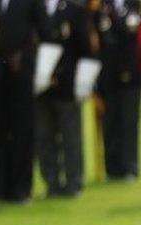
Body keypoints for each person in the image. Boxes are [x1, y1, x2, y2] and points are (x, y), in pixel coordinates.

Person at [0, 0, 54, 203]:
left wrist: (43, 72)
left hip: (21, 71)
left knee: (23, 130)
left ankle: (21, 189)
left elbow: (46, 31)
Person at [35, 0, 99, 198]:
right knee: (44, 137)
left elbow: (86, 48)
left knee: (71, 137)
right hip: (40, 87)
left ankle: (73, 182)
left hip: (67, 85)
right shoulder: (34, 7)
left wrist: (83, 82)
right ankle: (51, 183)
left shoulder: (74, 10)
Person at [95, 0, 141, 182]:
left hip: (130, 74)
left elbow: (135, 39)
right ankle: (112, 167)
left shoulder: (134, 5)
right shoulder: (101, 5)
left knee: (129, 121)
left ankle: (130, 166)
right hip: (107, 75)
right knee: (109, 121)